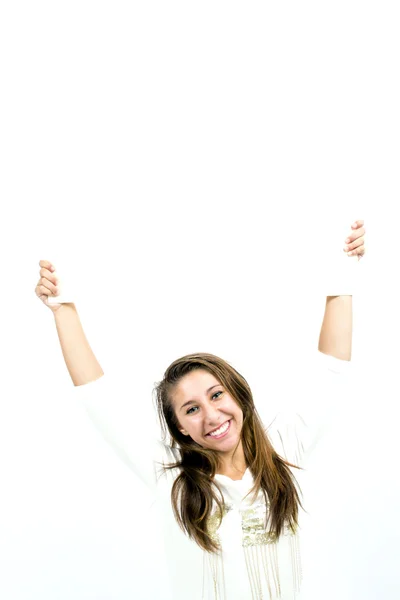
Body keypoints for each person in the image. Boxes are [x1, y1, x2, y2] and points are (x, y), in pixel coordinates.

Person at [34, 220, 366, 600]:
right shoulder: (172, 481)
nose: (211, 416)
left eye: (216, 395)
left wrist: (344, 269)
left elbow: (331, 368)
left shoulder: (284, 451)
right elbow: (97, 397)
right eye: (191, 409)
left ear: (238, 396)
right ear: (179, 428)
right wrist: (62, 307)